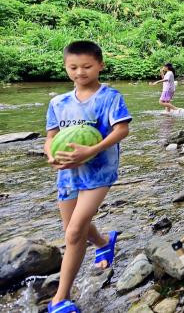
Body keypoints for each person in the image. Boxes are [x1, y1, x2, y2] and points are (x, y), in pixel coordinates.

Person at [44, 41, 132, 313]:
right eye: (73, 67)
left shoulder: (110, 97)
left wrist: (91, 150)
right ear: (65, 67)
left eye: (87, 66)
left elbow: (121, 130)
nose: (80, 72)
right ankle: (105, 243)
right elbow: (51, 137)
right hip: (68, 172)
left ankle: (60, 298)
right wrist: (51, 155)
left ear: (100, 66)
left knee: (72, 233)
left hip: (99, 171)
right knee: (75, 227)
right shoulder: (58, 102)